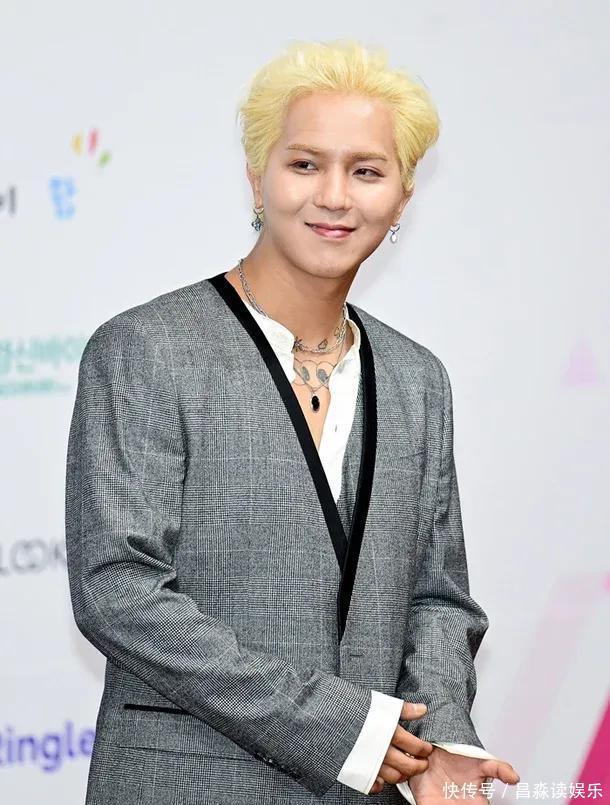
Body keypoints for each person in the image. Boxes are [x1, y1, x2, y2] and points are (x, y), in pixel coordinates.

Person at [65, 39, 520, 804]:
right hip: (187, 785)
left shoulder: (416, 378)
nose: (335, 196)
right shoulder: (146, 349)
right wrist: (339, 728)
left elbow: (437, 597)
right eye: (306, 164)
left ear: (403, 196)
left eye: (366, 171)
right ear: (258, 176)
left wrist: (436, 737)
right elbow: (120, 589)